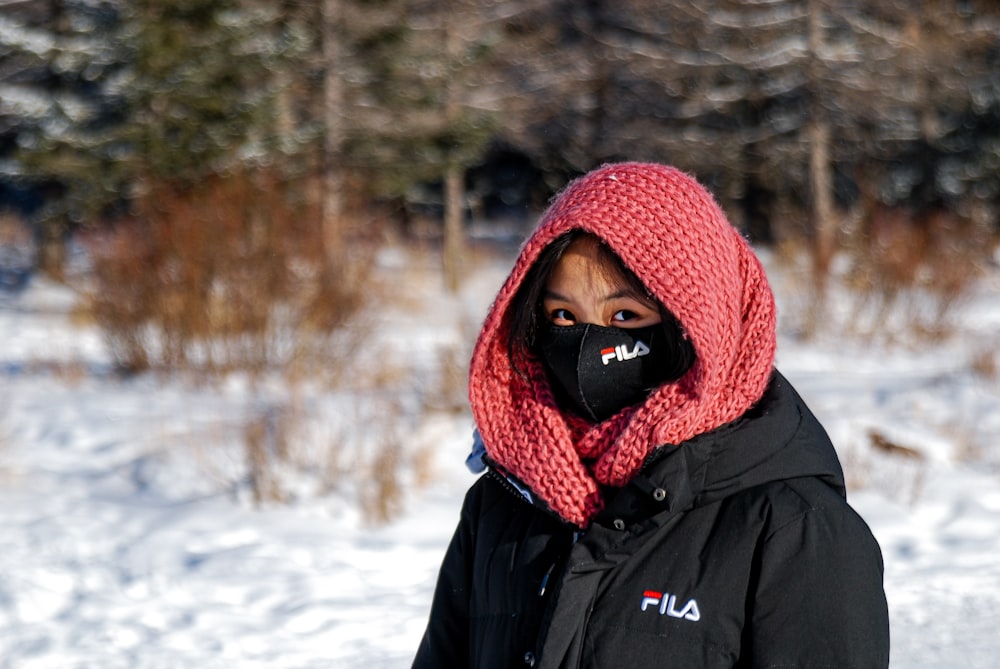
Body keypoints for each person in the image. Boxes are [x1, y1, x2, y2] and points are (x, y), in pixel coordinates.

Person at [412, 162, 890, 668]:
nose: (587, 345)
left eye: (625, 317)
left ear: (697, 322)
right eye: (563, 316)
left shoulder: (795, 528)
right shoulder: (502, 503)